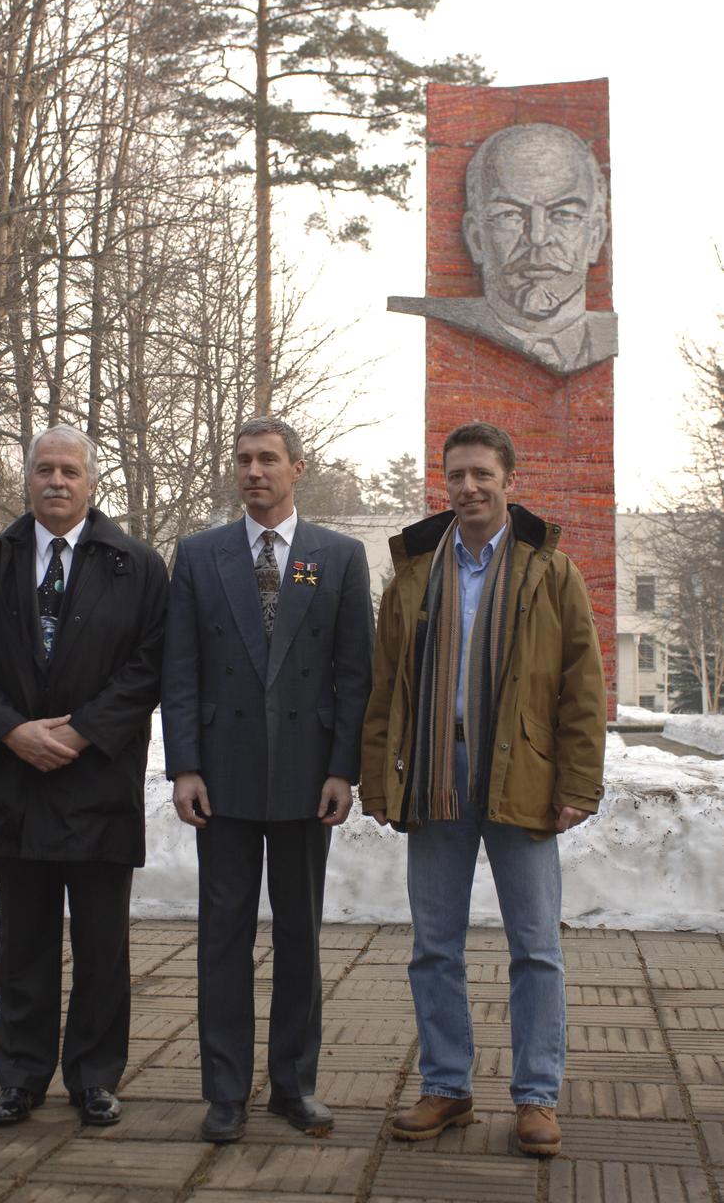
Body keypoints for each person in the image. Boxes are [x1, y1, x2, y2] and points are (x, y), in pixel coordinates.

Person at [360, 421, 606, 1156]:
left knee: (535, 947)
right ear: (446, 481)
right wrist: (379, 777)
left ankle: (536, 1097)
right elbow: (386, 689)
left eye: (482, 475)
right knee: (434, 945)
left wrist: (579, 781)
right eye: (457, 474)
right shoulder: (412, 570)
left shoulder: (548, 570)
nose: (468, 487)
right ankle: (446, 1087)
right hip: (434, 774)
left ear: (508, 481)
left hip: (523, 778)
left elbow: (582, 686)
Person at [0, 425, 168, 1129]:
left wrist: (81, 730)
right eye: (44, 469)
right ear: (28, 480)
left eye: (70, 470)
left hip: (97, 778)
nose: (56, 481)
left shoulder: (135, 565)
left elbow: (150, 664)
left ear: (91, 481)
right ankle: (20, 1075)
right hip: (16, 783)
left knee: (102, 946)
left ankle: (95, 1077)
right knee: (22, 945)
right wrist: (14, 731)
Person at [161, 417, 374, 1144]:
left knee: (300, 938)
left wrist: (344, 768)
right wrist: (184, 764)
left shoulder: (336, 557)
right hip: (220, 777)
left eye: (268, 460)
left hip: (307, 777)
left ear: (297, 468)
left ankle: (295, 1086)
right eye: (244, 460)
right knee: (222, 937)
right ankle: (224, 1093)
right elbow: (180, 670)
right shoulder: (198, 555)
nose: (254, 471)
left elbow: (355, 673)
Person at [388, 123, 617, 376]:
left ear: (595, 236)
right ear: (476, 238)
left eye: (564, 214)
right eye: (509, 214)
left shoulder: (613, 336)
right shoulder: (454, 328)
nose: (537, 237)